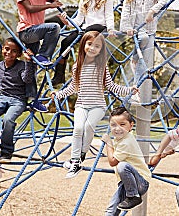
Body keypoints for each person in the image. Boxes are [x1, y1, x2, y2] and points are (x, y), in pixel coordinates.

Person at [51, 31, 138, 179]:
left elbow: (111, 87)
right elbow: (73, 87)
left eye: (97, 46)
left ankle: (80, 158)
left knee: (88, 127)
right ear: (83, 44)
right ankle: (74, 160)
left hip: (97, 105)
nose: (92, 48)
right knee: (78, 128)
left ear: (101, 50)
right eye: (89, 44)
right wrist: (58, 94)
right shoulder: (77, 66)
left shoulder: (102, 67)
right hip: (81, 104)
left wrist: (129, 90)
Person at [7, 0, 63, 112]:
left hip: (36, 33)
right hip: (27, 31)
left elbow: (57, 1)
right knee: (54, 27)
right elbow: (29, 8)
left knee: (30, 67)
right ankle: (44, 55)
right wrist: (49, 5)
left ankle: (33, 99)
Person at [54, 0, 116, 86]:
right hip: (85, 28)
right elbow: (79, 20)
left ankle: (94, 75)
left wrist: (111, 28)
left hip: (100, 27)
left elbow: (109, 15)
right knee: (65, 42)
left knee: (86, 38)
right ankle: (59, 75)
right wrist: (67, 22)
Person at [0, 38, 34, 163]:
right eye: (7, 49)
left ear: (19, 54)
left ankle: (6, 151)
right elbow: (2, 82)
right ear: (2, 49)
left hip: (18, 100)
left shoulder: (22, 65)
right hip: (3, 97)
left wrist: (29, 62)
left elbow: (27, 80)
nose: (9, 53)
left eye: (14, 51)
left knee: (8, 120)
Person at [120, 0, 167, 83]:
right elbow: (125, 10)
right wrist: (127, 28)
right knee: (143, 40)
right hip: (136, 28)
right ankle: (134, 58)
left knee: (145, 59)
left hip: (149, 28)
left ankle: (137, 85)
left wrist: (152, 11)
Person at [101, 107, 151, 215]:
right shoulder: (121, 138)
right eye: (113, 125)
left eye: (122, 124)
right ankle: (131, 196)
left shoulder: (126, 142)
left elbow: (112, 161)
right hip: (127, 183)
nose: (117, 128)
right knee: (112, 209)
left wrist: (108, 143)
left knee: (122, 166)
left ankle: (133, 196)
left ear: (131, 126)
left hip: (140, 182)